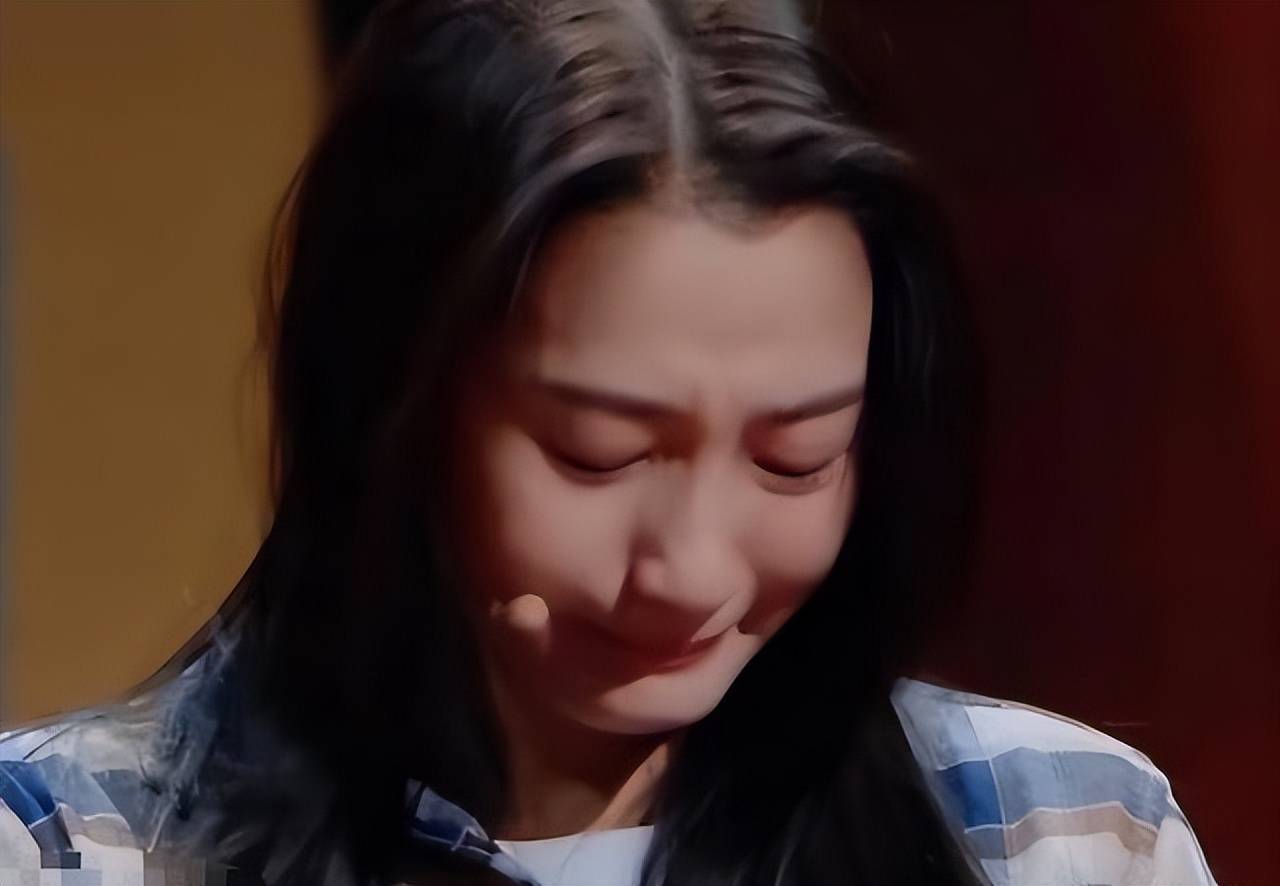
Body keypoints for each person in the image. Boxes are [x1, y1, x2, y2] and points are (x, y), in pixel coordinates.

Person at [0, 1, 1217, 884]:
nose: (690, 569)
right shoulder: (70, 848)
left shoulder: (1058, 835)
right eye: (596, 453)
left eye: (794, 458)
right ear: (387, 404)